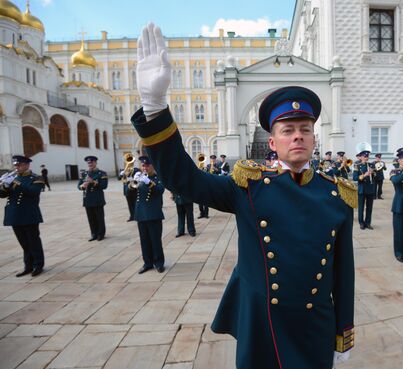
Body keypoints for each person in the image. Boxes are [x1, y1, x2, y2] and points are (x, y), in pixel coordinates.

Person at [131, 22, 356, 369]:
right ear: (273, 140)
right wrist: (155, 108)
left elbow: (343, 273)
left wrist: (343, 331)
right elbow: (184, 180)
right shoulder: (248, 185)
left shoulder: (337, 193)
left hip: (315, 324)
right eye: (288, 130)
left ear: (314, 138)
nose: (298, 136)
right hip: (263, 323)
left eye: (305, 130)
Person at [0, 155, 46, 277]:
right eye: (15, 165)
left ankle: (38, 264)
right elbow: (3, 195)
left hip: (29, 214)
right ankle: (28, 266)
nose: (17, 167)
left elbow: (33, 192)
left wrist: (16, 183)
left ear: (26, 165)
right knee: (24, 243)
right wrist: (4, 185)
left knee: (33, 241)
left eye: (19, 165)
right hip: (15, 214)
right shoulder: (14, 178)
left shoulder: (36, 178)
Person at [132, 156, 166, 273]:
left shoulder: (158, 178)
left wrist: (148, 182)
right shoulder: (140, 178)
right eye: (143, 165)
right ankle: (147, 263)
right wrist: (131, 182)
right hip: (140, 214)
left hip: (153, 214)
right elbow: (128, 194)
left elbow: (160, 190)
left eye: (147, 165)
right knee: (144, 241)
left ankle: (159, 263)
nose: (144, 168)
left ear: (152, 166)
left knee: (155, 240)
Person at [78, 156, 108, 241]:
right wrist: (82, 186)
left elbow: (104, 186)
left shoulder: (101, 173)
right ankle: (93, 233)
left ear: (95, 162)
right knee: (91, 218)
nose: (90, 164)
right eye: (88, 163)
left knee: (99, 218)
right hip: (88, 199)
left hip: (97, 199)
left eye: (92, 162)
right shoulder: (84, 174)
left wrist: (93, 182)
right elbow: (78, 186)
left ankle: (101, 234)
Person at [353, 150, 376, 230]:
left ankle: (368, 223)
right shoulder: (357, 166)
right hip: (362, 189)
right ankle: (361, 223)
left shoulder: (371, 165)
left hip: (370, 189)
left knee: (369, 208)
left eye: (367, 156)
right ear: (361, 157)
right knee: (361, 207)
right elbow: (355, 178)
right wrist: (364, 175)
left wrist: (373, 173)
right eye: (365, 156)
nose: (366, 158)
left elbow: (375, 177)